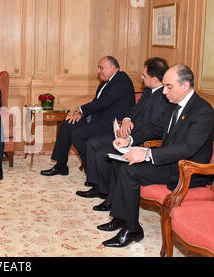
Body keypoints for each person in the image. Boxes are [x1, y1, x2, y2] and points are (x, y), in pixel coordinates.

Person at [99, 64, 213, 248]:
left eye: (169, 86)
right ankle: (122, 218)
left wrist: (146, 153)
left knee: (130, 171)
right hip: (168, 162)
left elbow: (187, 148)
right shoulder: (174, 104)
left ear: (185, 86)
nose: (164, 91)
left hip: (186, 171)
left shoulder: (203, 111)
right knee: (120, 163)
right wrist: (129, 140)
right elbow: (154, 127)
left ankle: (132, 229)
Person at [76, 57, 172, 210]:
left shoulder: (164, 98)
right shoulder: (148, 91)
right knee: (92, 143)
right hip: (129, 133)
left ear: (154, 79)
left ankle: (108, 196)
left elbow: (154, 127)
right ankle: (99, 187)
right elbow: (133, 110)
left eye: (144, 76)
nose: (141, 78)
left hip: (142, 140)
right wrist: (127, 120)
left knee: (102, 153)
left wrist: (129, 136)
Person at [40, 56, 135, 176]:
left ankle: (92, 172)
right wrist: (80, 114)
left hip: (110, 124)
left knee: (78, 135)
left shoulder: (122, 80)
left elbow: (103, 103)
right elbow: (96, 103)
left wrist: (81, 109)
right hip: (97, 118)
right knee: (67, 124)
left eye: (101, 68)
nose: (98, 71)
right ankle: (61, 166)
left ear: (112, 67)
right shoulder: (104, 84)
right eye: (98, 68)